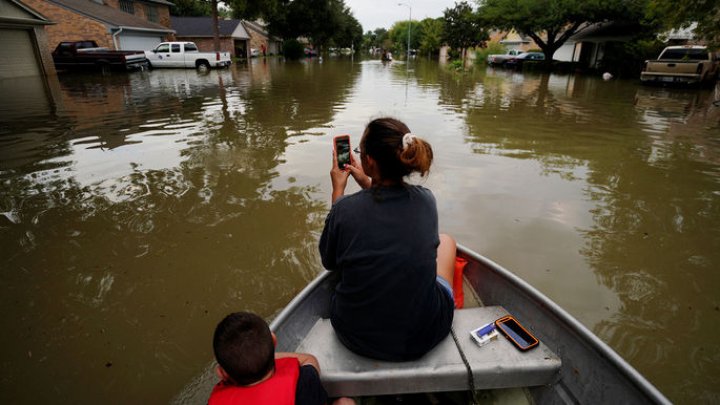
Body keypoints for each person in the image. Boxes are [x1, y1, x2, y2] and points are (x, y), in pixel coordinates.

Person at [319, 117, 456, 361]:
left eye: (360, 152)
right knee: (446, 241)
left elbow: (330, 260)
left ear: (369, 162)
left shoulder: (345, 210)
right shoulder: (426, 200)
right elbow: (387, 203)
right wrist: (366, 181)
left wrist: (337, 191)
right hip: (426, 334)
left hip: (356, 336)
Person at [209, 311, 352, 405]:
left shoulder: (215, 401)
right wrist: (267, 354)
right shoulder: (304, 382)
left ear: (222, 373)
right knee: (345, 402)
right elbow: (309, 360)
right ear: (274, 340)